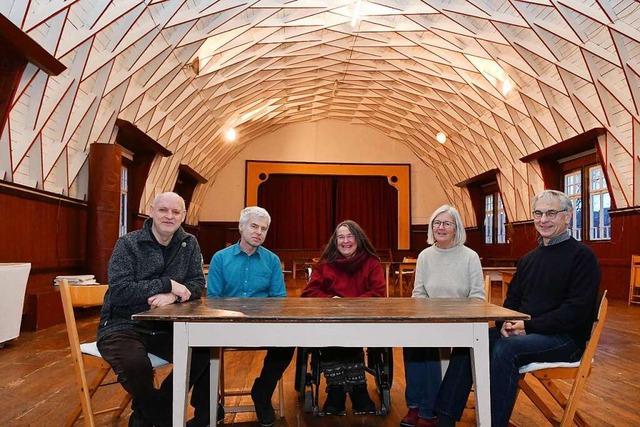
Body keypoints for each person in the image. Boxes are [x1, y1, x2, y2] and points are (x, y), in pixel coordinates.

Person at [434, 190, 601, 426]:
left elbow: (576, 312)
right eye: (538, 213)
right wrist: (505, 324)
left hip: (565, 339)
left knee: (505, 350)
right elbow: (511, 302)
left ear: (568, 216)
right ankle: (444, 419)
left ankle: (492, 423)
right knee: (470, 342)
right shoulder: (528, 259)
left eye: (551, 213)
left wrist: (527, 326)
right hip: (527, 332)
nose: (543, 220)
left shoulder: (583, 257)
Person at [97, 192, 213, 427]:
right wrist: (168, 284)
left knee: (202, 353)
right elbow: (119, 291)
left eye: (175, 212)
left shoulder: (189, 244)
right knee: (135, 364)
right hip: (123, 325)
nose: (169, 216)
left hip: (167, 326)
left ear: (183, 216)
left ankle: (147, 414)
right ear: (151, 212)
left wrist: (172, 296)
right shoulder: (128, 244)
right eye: (163, 210)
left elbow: (197, 284)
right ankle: (163, 418)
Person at [207, 206, 295, 427]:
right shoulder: (220, 258)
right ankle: (209, 404)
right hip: (227, 324)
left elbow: (279, 300)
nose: (259, 232)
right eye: (254, 226)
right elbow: (213, 299)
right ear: (241, 227)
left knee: (287, 343)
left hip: (261, 325)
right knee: (201, 346)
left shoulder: (272, 260)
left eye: (264, 229)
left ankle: (262, 394)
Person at [401, 205, 484, 427]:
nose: (441, 227)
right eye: (437, 223)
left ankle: (429, 411)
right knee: (411, 341)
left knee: (430, 344)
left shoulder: (470, 257)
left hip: (460, 321)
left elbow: (478, 298)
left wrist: (454, 315)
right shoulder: (425, 256)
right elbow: (418, 294)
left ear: (456, 228)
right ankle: (415, 405)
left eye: (447, 223)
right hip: (430, 318)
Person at [301, 220, 386, 416]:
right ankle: (336, 389)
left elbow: (379, 293)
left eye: (350, 236)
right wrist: (332, 301)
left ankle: (358, 388)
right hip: (330, 321)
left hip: (362, 321)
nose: (345, 241)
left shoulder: (371, 263)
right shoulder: (325, 264)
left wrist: (351, 303)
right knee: (334, 333)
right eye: (341, 237)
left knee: (351, 335)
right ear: (335, 241)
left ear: (358, 239)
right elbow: (310, 292)